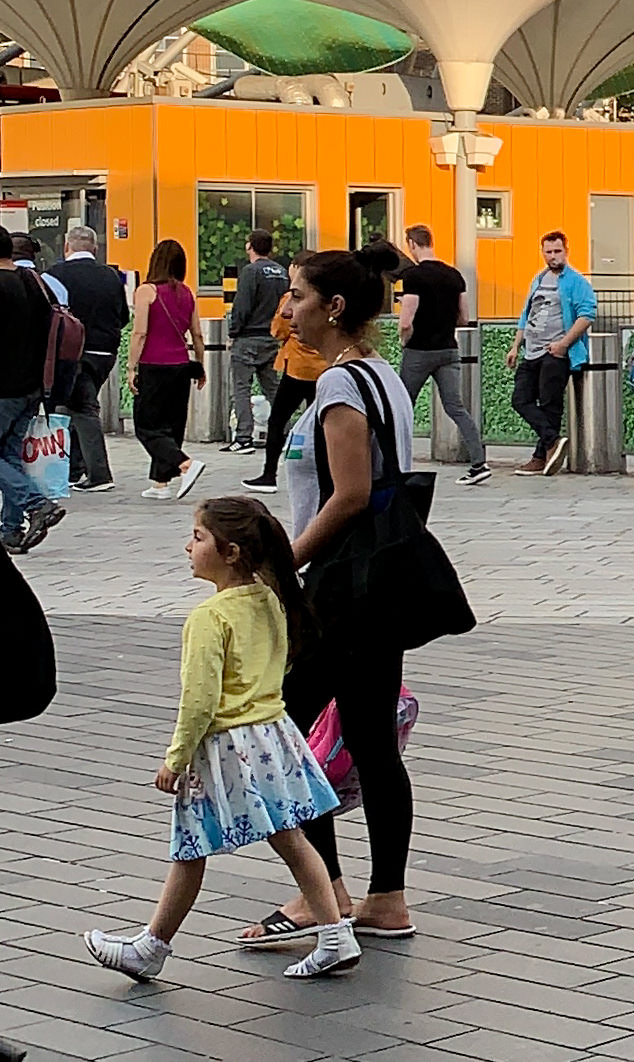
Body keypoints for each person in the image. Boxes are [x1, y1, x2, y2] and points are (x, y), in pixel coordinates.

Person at [82, 496, 358, 983]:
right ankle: (335, 935)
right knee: (292, 839)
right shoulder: (270, 599)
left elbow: (199, 701)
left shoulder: (209, 617)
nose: (187, 546)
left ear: (231, 552)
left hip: (227, 747)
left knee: (191, 847)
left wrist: (176, 758)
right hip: (273, 737)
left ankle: (151, 948)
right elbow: (279, 665)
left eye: (198, 537)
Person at [236, 243, 420, 952]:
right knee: (371, 741)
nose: (288, 308)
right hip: (380, 584)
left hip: (340, 589)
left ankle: (325, 893)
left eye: (299, 295)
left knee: (283, 731)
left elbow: (348, 497)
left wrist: (281, 569)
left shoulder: (341, 385)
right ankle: (386, 898)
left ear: (334, 307)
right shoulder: (381, 374)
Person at [395, 225, 485, 487]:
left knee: (402, 406)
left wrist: (404, 341)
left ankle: (393, 463)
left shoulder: (413, 276)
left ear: (412, 244)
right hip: (448, 350)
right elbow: (464, 317)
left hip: (419, 351)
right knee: (456, 407)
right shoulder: (454, 275)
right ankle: (479, 463)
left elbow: (406, 322)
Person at [47, 224, 129, 493]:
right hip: (106, 352)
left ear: (66, 247)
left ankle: (99, 474)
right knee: (74, 405)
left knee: (82, 408)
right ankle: (75, 469)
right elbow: (123, 316)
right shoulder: (111, 276)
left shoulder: (55, 275)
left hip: (74, 352)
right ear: (95, 248)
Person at [508, 230, 595, 474]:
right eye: (548, 252)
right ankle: (552, 441)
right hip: (531, 351)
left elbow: (587, 314)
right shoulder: (539, 279)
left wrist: (563, 344)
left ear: (566, 251)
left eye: (558, 251)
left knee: (550, 404)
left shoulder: (576, 282)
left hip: (555, 352)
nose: (553, 256)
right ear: (542, 253)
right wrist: (516, 345)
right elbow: (527, 314)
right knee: (520, 399)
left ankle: (540, 458)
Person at [128, 238, 206, 503]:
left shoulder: (146, 291)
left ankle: (185, 464)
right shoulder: (187, 293)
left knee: (146, 427)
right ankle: (160, 484)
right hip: (181, 367)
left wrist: (131, 367)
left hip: (154, 366)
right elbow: (197, 333)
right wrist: (200, 365)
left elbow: (140, 333)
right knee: (171, 426)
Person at [0, 256, 63, 552]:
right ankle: (11, 531)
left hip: (3, 388)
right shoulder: (35, 281)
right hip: (33, 386)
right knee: (10, 456)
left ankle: (36, 503)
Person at [222, 230, 289, 456]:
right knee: (273, 388)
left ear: (249, 246)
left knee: (241, 388)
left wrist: (233, 332)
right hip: (272, 337)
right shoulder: (281, 272)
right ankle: (284, 433)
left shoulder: (250, 272)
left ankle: (243, 438)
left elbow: (242, 306)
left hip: (248, 337)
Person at [247, 301, 324, 490]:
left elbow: (278, 331)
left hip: (297, 368)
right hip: (323, 367)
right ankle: (323, 474)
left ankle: (269, 474)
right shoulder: (330, 298)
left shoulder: (292, 299)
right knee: (320, 424)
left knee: (277, 421)